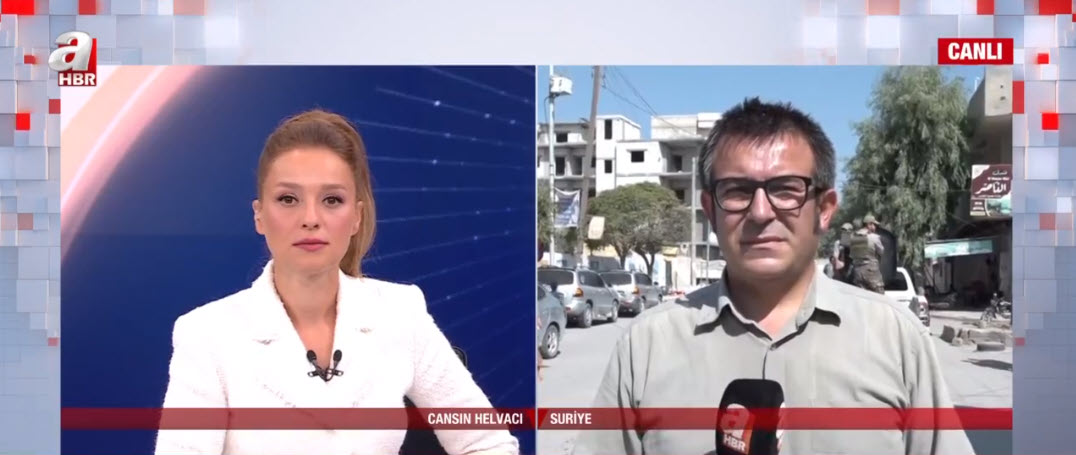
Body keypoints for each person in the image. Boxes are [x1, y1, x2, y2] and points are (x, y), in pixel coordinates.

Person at [573, 98, 972, 454]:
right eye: (737, 191)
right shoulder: (646, 346)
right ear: (710, 211)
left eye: (785, 189)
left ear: (825, 209)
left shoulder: (896, 339)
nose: (761, 212)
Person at [154, 110, 519, 455]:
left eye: (332, 200)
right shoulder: (207, 334)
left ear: (356, 217)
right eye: (288, 199)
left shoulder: (400, 313)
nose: (311, 218)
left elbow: (488, 443)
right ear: (259, 216)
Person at [849, 213, 885, 294]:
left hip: (857, 271)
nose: (875, 227)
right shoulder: (874, 237)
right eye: (874, 225)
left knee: (862, 296)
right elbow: (881, 251)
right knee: (879, 296)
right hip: (871, 270)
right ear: (869, 225)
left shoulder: (853, 237)